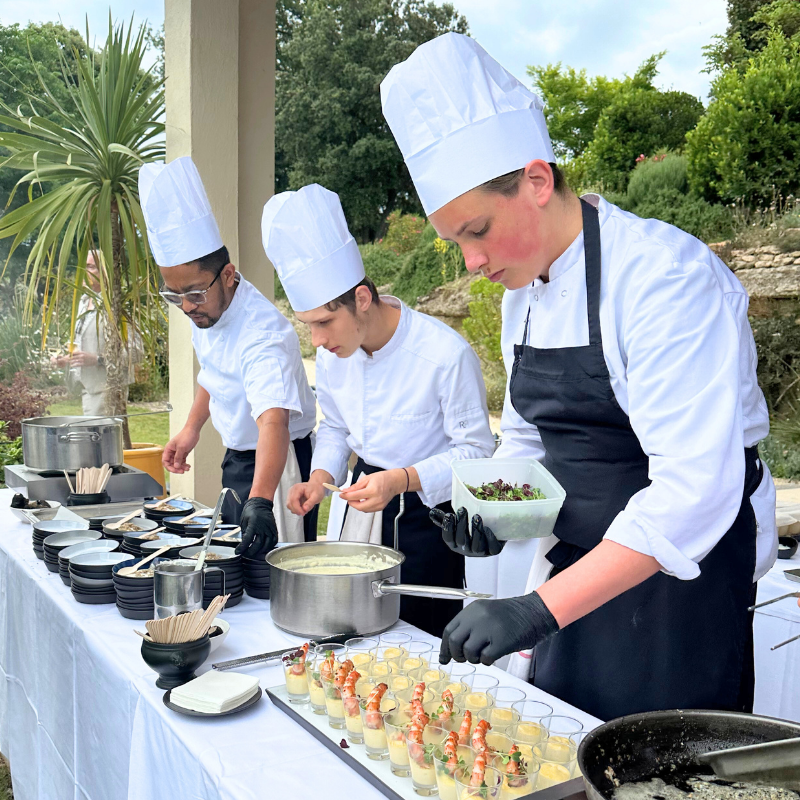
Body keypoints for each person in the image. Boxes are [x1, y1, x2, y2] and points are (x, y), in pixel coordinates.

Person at [381, 32, 777, 720]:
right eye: (456, 243)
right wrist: (489, 511)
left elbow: (693, 490)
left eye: (477, 231)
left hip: (681, 584)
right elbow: (533, 445)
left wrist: (536, 609)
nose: (470, 262)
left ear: (536, 181)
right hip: (578, 574)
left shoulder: (663, 280)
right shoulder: (520, 296)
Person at [264, 184, 495, 637]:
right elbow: (335, 428)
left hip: (429, 522)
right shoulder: (334, 356)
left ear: (362, 300)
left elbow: (477, 455)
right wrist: (319, 478)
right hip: (362, 512)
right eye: (309, 326)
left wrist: (402, 480)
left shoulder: (445, 355)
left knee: (422, 643)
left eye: (324, 323)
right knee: (353, 638)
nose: (318, 342)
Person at [139, 157, 318, 557]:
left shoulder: (263, 336)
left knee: (271, 567)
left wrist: (261, 500)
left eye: (194, 294)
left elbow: (274, 420)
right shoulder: (205, 306)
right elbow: (214, 371)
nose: (185, 307)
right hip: (238, 456)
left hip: (280, 460)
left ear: (229, 274)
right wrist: (191, 429)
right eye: (175, 295)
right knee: (231, 555)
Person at [51, 251, 141, 415]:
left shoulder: (117, 306)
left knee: (100, 440)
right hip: (86, 388)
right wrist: (65, 359)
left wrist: (98, 360)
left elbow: (136, 352)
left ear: (104, 272)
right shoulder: (84, 302)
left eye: (90, 267)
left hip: (109, 390)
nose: (83, 271)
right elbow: (84, 343)